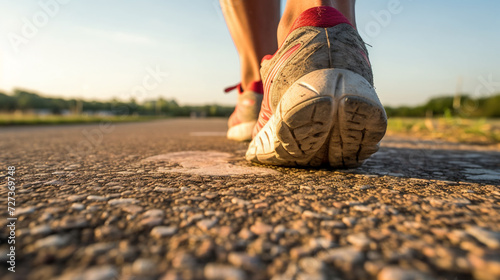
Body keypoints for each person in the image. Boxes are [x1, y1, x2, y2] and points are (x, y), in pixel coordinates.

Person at [221, 0, 387, 168]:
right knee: (328, 16)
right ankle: (343, 41)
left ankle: (258, 88)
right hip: (351, 55)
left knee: (266, 73)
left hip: (293, 59)